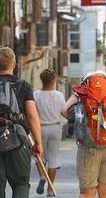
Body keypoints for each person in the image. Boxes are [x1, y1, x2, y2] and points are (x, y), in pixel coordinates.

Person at [0, 47, 43, 198]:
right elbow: (32, 115)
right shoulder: (23, 85)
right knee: (21, 184)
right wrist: (38, 143)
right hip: (18, 142)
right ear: (14, 64)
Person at [60, 71, 106, 198]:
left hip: (88, 149)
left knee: (86, 193)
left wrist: (79, 120)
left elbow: (64, 110)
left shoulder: (81, 95)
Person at [33, 68, 67, 196]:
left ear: (42, 80)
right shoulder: (59, 95)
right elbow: (63, 112)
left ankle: (42, 176)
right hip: (55, 128)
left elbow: (33, 113)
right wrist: (62, 124)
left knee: (39, 156)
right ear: (53, 80)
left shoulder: (36, 95)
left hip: (40, 128)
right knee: (53, 159)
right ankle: (50, 189)